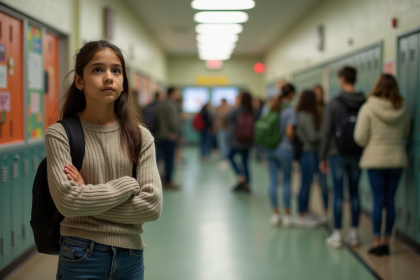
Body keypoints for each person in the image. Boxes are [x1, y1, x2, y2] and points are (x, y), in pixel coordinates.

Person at [45, 40, 162, 280]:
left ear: (123, 81)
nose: (108, 77)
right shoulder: (60, 134)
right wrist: (126, 186)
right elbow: (67, 203)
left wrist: (86, 193)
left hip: (131, 256)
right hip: (79, 254)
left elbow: (151, 206)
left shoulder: (140, 137)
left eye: (116, 70)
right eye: (98, 69)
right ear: (79, 81)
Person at [354, 74, 409, 256]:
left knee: (378, 201)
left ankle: (376, 242)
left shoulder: (368, 108)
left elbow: (360, 138)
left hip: (375, 160)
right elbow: (406, 134)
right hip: (396, 159)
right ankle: (387, 241)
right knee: (390, 201)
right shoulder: (402, 107)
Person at [319, 66, 366, 249]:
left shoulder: (334, 102)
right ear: (355, 79)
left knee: (338, 194)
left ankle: (337, 234)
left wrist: (322, 157)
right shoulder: (364, 101)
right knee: (354, 193)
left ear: (342, 79)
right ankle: (354, 234)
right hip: (357, 153)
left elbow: (326, 131)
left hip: (336, 154)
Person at [294, 90, 329, 228]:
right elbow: (313, 137)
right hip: (310, 152)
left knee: (306, 184)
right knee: (306, 184)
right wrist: (325, 131)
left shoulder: (300, 114)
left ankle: (305, 212)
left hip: (306, 153)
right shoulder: (307, 115)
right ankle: (302, 213)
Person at [264, 84, 296, 227]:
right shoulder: (289, 109)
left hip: (269, 149)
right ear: (290, 95)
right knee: (287, 182)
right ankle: (287, 216)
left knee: (273, 181)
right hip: (285, 149)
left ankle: (275, 214)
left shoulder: (268, 107)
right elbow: (289, 132)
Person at [225, 92, 254, 193]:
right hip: (249, 141)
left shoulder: (237, 109)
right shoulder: (251, 109)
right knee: (245, 162)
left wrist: (235, 105)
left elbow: (226, 117)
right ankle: (247, 184)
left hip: (237, 141)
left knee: (229, 157)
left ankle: (241, 177)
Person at [155, 87, 182, 189]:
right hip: (170, 136)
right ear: (172, 93)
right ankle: (168, 181)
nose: (177, 95)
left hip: (159, 135)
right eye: (176, 93)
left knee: (157, 159)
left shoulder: (160, 105)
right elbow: (173, 122)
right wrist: (175, 133)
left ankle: (155, 180)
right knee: (169, 160)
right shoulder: (172, 106)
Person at [214, 98, 231, 169]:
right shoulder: (222, 109)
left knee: (224, 145)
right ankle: (226, 158)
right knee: (223, 145)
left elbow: (222, 118)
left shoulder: (227, 109)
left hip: (224, 129)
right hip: (221, 129)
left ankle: (226, 160)